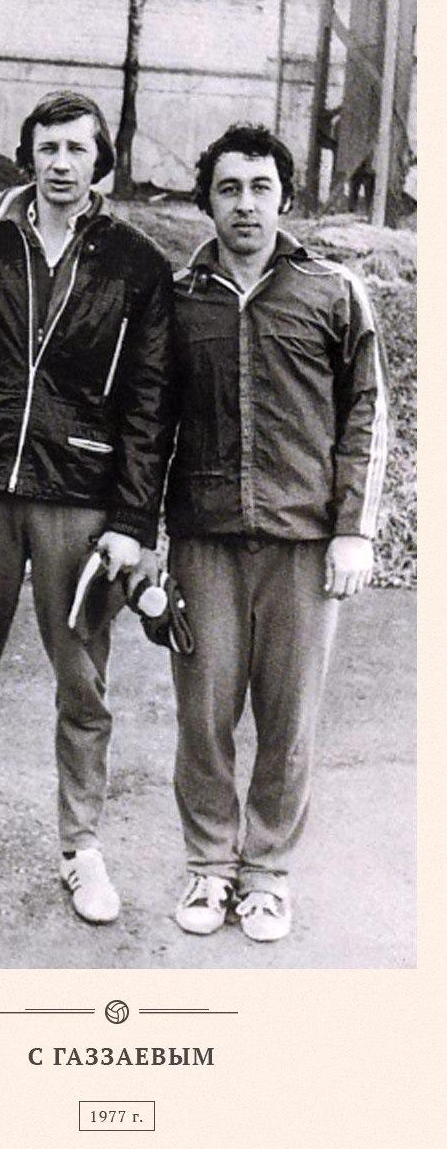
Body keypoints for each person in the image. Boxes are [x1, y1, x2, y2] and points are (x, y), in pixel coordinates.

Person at [0, 91, 174, 920]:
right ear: (29, 156)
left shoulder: (137, 264)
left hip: (80, 497)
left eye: (77, 149)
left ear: (102, 161)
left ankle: (81, 848)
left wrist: (132, 521)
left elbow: (149, 406)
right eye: (48, 148)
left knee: (83, 683)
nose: (61, 163)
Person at [166, 124, 387, 943]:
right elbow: (148, 423)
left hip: (303, 544)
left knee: (289, 720)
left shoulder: (333, 290)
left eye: (261, 187)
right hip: (204, 541)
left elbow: (368, 411)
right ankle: (209, 865)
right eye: (229, 188)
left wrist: (354, 528)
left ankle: (265, 873)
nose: (246, 205)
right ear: (207, 201)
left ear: (286, 197)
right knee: (204, 716)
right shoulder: (178, 296)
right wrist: (143, 535)